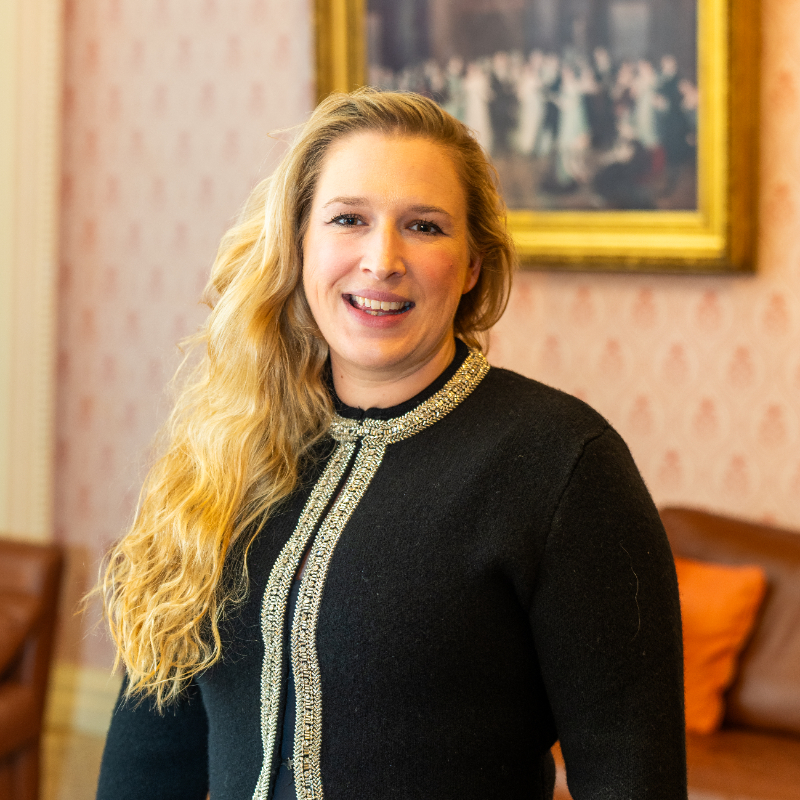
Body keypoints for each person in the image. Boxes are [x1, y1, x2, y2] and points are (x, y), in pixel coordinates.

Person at [96, 88, 687, 800]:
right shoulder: (219, 453)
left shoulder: (562, 463)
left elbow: (632, 779)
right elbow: (149, 761)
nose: (382, 259)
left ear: (472, 266)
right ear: (299, 244)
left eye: (425, 227)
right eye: (348, 219)